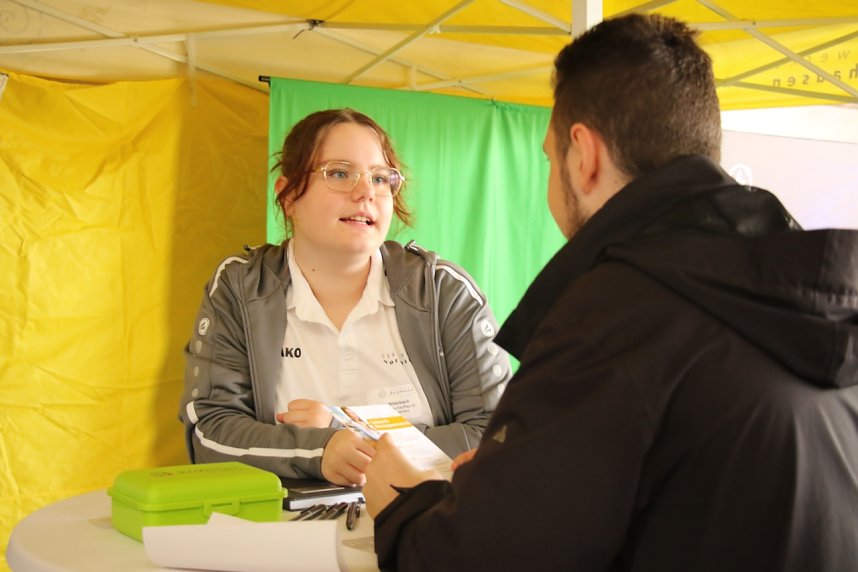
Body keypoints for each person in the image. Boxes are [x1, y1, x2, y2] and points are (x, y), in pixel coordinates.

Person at [364, 13, 858, 571]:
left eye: (549, 157)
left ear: (584, 156)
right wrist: (517, 473)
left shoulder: (619, 312)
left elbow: (479, 559)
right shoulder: (799, 296)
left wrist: (403, 508)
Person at [179, 108, 511, 487]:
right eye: (339, 173)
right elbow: (209, 432)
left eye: (380, 178)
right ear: (288, 195)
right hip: (284, 523)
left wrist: (348, 430)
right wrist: (318, 451)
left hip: (424, 517)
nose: (366, 192)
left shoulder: (444, 292)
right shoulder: (240, 287)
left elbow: (498, 435)